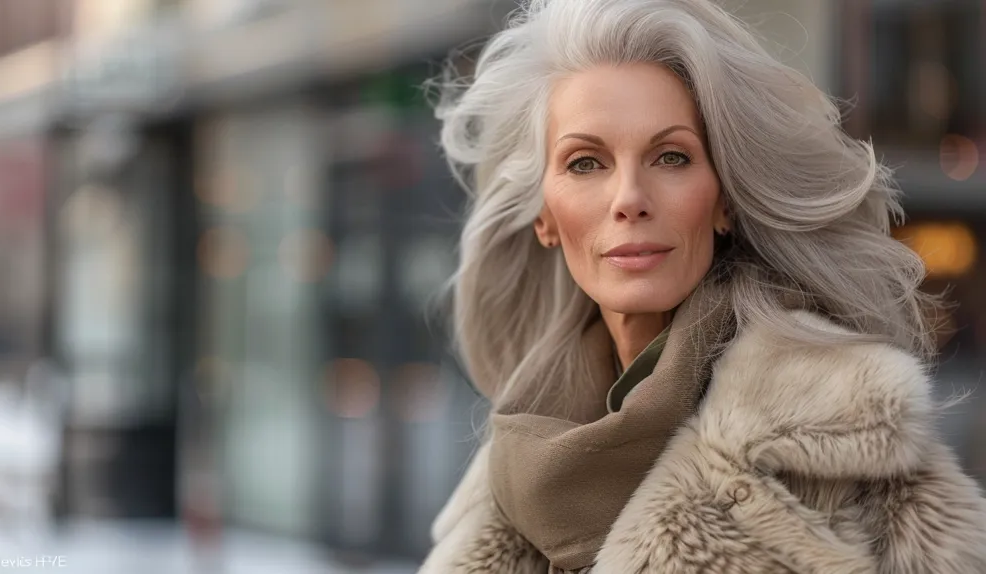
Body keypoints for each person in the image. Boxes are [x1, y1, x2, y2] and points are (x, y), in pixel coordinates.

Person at [418, 0, 986, 572]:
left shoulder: (854, 453)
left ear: (724, 202)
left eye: (671, 156)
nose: (629, 200)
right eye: (586, 163)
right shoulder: (509, 466)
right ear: (543, 214)